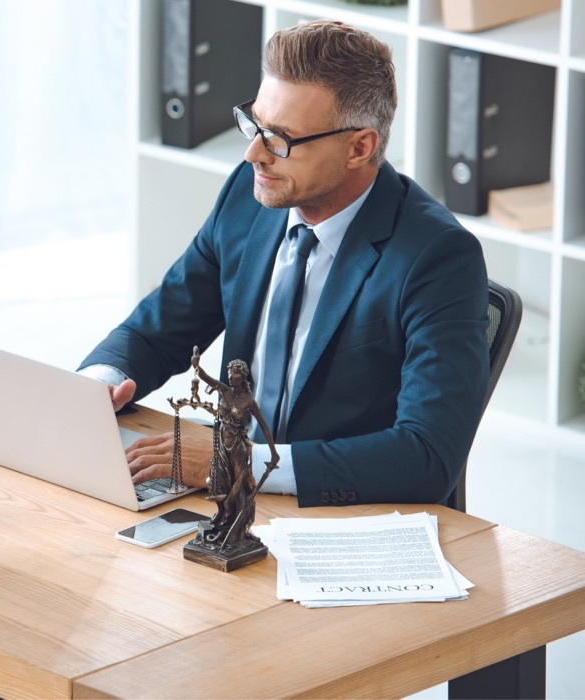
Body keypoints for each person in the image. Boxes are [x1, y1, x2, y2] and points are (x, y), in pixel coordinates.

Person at [79, 19, 490, 508]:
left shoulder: (439, 258)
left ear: (360, 147)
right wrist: (92, 391)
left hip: (341, 515)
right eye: (254, 124)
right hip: (230, 500)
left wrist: (235, 461)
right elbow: (156, 330)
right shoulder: (249, 195)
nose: (254, 153)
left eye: (281, 139)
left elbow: (427, 457)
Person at [187, 353, 279, 549]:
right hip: (221, 441)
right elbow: (205, 377)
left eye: (235, 373)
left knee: (237, 486)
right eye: (230, 372)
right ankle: (221, 514)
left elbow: (263, 426)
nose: (231, 376)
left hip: (238, 446)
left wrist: (274, 452)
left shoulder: (249, 402)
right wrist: (197, 365)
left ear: (243, 376)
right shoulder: (223, 390)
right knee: (218, 480)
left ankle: (238, 526)